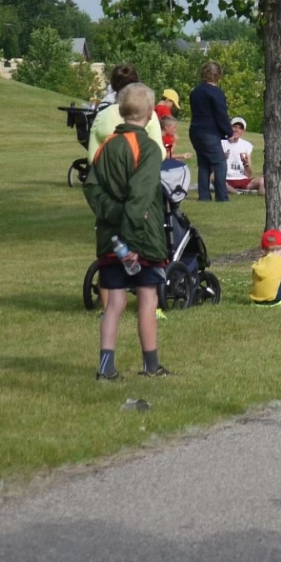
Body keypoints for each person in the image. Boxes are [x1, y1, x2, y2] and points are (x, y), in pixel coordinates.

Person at [84, 83, 171, 379]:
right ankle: (151, 364)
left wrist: (112, 214)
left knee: (114, 302)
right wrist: (132, 239)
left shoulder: (106, 146)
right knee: (148, 298)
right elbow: (140, 196)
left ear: (121, 111)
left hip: (110, 239)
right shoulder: (148, 149)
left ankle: (106, 366)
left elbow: (92, 188)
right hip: (141, 238)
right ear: (149, 114)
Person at [86, 64, 162, 161]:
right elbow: (160, 153)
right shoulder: (147, 114)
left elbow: (92, 158)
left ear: (113, 85)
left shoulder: (102, 116)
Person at [188, 60, 233, 201]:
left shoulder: (195, 91)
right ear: (218, 75)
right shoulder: (216, 92)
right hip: (209, 132)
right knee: (220, 163)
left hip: (195, 131)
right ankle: (221, 196)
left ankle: (204, 195)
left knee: (203, 163)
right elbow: (221, 114)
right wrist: (228, 131)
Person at [223, 118, 264, 194]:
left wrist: (245, 163)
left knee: (263, 180)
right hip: (225, 179)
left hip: (242, 179)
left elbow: (248, 174)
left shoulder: (247, 146)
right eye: (235, 127)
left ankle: (261, 199)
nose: (237, 130)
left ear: (243, 131)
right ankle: (237, 193)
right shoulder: (222, 142)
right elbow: (212, 169)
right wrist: (222, 158)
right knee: (214, 177)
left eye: (240, 128)